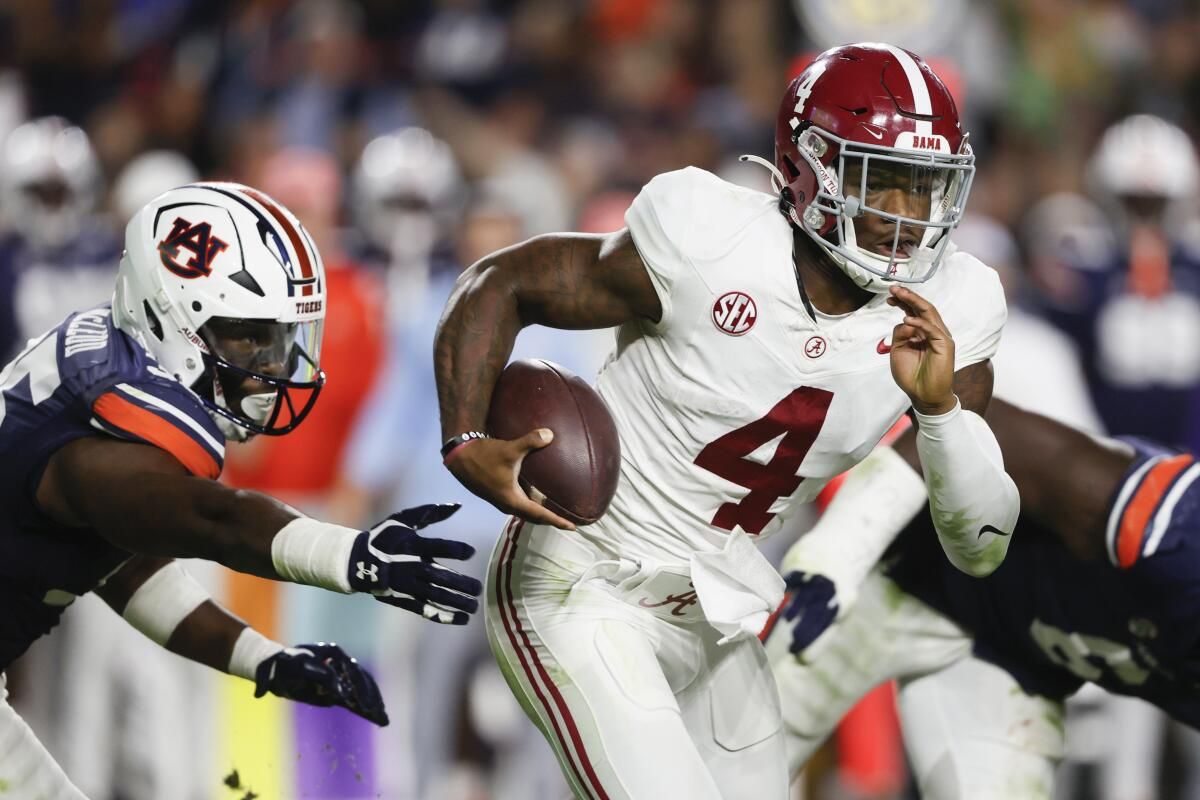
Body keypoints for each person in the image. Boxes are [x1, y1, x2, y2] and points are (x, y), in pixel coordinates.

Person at [433, 43, 1018, 799]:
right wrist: (463, 436)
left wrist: (937, 411)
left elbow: (980, 547)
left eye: (924, 187)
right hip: (583, 584)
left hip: (716, 619)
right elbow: (503, 281)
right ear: (814, 168)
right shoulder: (711, 241)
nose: (904, 215)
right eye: (885, 181)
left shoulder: (955, 309)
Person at [0, 181, 482, 798]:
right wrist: (350, 557)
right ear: (172, 320)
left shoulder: (99, 384)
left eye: (279, 339)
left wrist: (265, 661)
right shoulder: (109, 441)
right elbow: (213, 521)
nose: (274, 365)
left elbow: (128, 567)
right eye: (249, 336)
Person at [769, 398, 1200, 799]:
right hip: (895, 575)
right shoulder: (1179, 539)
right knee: (730, 766)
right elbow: (979, 428)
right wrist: (838, 554)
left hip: (1011, 662)